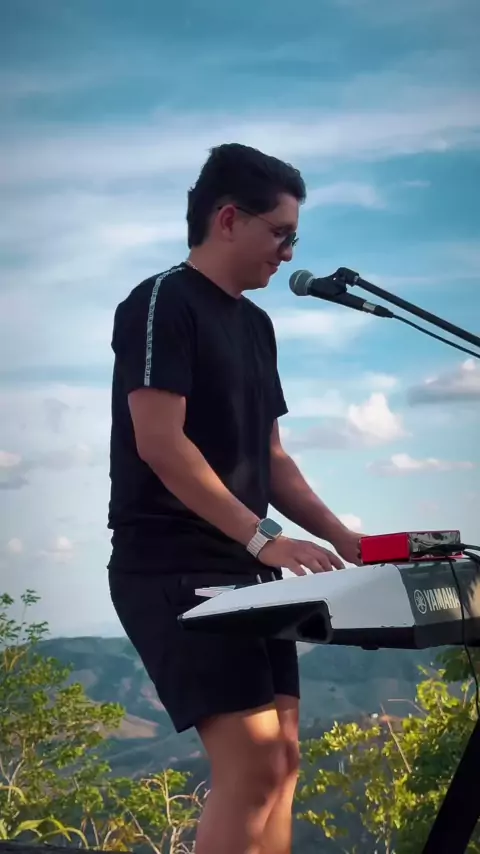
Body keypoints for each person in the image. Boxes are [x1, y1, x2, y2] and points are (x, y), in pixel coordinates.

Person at [107, 143, 362, 854]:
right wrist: (263, 538)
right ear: (228, 219)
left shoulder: (256, 325)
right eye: (281, 233)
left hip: (248, 573)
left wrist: (346, 539)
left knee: (282, 762)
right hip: (173, 565)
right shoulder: (161, 301)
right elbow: (161, 442)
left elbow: (270, 458)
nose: (289, 253)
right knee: (251, 766)